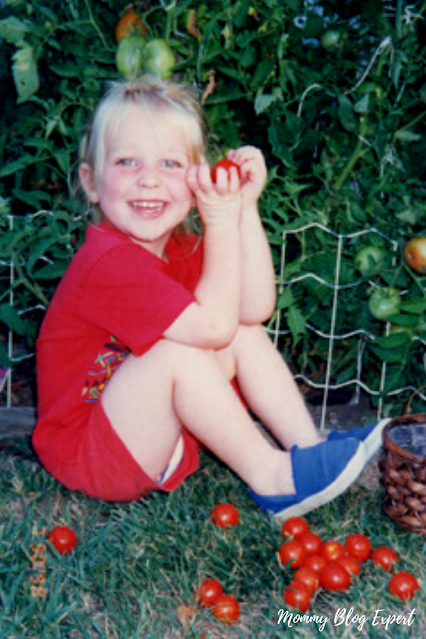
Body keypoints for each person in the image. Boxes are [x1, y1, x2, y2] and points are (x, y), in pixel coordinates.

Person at [33, 75, 387, 520]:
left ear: (197, 175)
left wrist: (242, 210)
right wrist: (217, 220)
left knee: (235, 330)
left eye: (170, 164)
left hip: (150, 433)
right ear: (90, 182)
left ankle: (309, 448)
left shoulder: (176, 248)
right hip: (91, 455)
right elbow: (211, 327)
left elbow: (251, 310)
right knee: (175, 351)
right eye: (126, 162)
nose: (148, 181)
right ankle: (274, 479)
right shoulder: (107, 262)